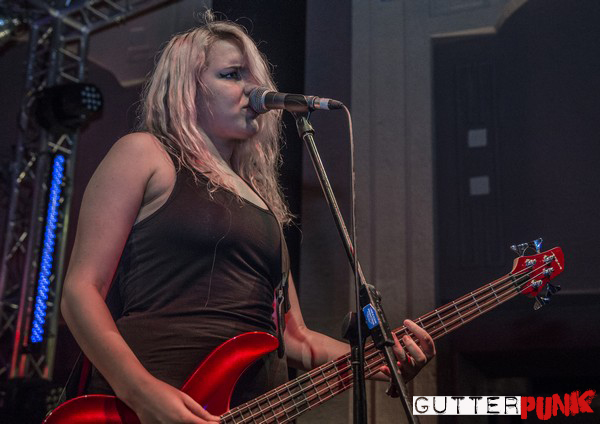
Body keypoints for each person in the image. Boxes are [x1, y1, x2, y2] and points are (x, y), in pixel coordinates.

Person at [60, 13, 436, 424]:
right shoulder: (145, 154)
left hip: (248, 407)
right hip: (148, 400)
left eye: (254, 77)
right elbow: (81, 290)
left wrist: (381, 358)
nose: (255, 90)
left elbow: (294, 337)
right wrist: (141, 392)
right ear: (188, 87)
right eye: (232, 75)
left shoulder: (262, 204)